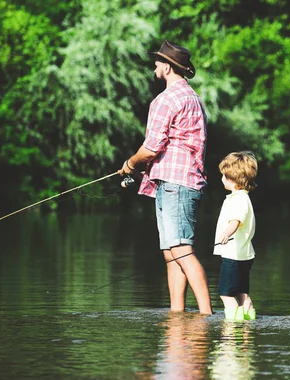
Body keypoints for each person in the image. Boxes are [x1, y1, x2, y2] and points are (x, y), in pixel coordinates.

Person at [119, 40, 212, 315]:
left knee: (181, 250)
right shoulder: (193, 97)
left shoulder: (166, 99)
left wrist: (129, 164)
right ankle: (176, 314)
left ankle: (207, 315)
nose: (155, 65)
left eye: (158, 61)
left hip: (176, 183)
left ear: (169, 67)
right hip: (179, 182)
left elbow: (150, 149)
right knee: (172, 253)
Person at [213, 151, 258, 321]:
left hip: (233, 255)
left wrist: (225, 233)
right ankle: (248, 322)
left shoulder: (238, 200)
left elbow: (236, 221)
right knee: (242, 293)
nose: (222, 179)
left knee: (225, 294)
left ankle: (233, 326)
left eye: (224, 176)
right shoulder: (243, 198)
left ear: (232, 178)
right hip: (245, 255)